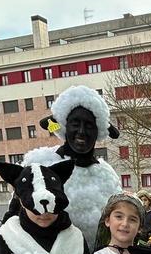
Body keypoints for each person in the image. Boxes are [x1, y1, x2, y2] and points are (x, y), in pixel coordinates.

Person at [27, 85, 123, 244]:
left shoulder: (107, 176)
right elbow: (16, 214)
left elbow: (117, 219)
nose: (82, 131)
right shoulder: (40, 164)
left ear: (98, 131)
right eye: (75, 124)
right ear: (64, 127)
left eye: (89, 125)